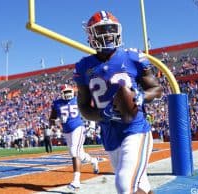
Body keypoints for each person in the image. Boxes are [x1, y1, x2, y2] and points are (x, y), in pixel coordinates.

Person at [73, 11, 162, 194]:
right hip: (109, 134)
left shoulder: (132, 57)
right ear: (91, 35)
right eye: (102, 30)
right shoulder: (83, 66)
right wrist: (101, 115)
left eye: (111, 29)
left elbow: (156, 89)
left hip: (135, 128)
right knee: (141, 186)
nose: (108, 35)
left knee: (124, 184)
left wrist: (141, 97)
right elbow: (83, 106)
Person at [49, 84, 100, 191]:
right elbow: (51, 119)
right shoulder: (57, 103)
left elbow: (89, 110)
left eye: (69, 92)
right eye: (65, 92)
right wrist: (57, 121)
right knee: (80, 155)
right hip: (66, 131)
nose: (68, 94)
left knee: (74, 151)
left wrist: (91, 125)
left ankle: (76, 181)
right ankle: (94, 161)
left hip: (78, 128)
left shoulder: (78, 99)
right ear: (61, 93)